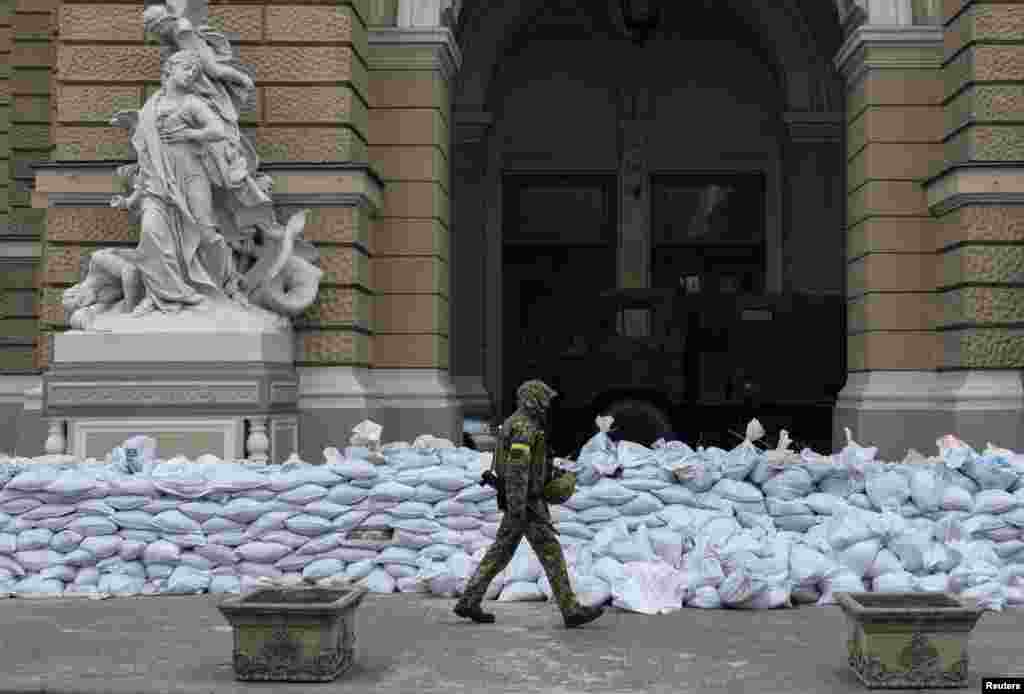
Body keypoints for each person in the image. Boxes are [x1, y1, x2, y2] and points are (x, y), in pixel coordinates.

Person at [454, 380, 605, 628]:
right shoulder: (524, 427)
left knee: (499, 553)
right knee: (551, 553)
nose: (547, 405)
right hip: (526, 504)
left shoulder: (520, 423)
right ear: (533, 400)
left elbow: (528, 466)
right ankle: (570, 609)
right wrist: (518, 508)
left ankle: (469, 601)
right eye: (544, 400)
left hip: (522, 502)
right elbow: (517, 471)